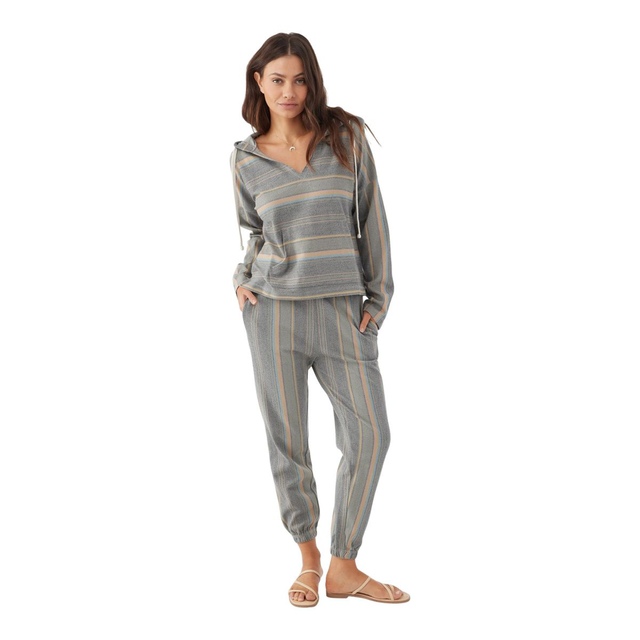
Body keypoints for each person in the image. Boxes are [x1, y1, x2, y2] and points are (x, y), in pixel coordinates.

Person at [230, 32, 409, 607]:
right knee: (287, 441)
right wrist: (242, 276)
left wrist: (377, 300)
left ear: (313, 83)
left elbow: (372, 220)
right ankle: (308, 560)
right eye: (277, 79)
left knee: (372, 434)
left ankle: (344, 565)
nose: (289, 91)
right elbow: (255, 231)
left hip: (342, 310)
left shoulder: (345, 138)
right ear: (259, 83)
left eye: (300, 79)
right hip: (273, 312)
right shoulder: (245, 158)